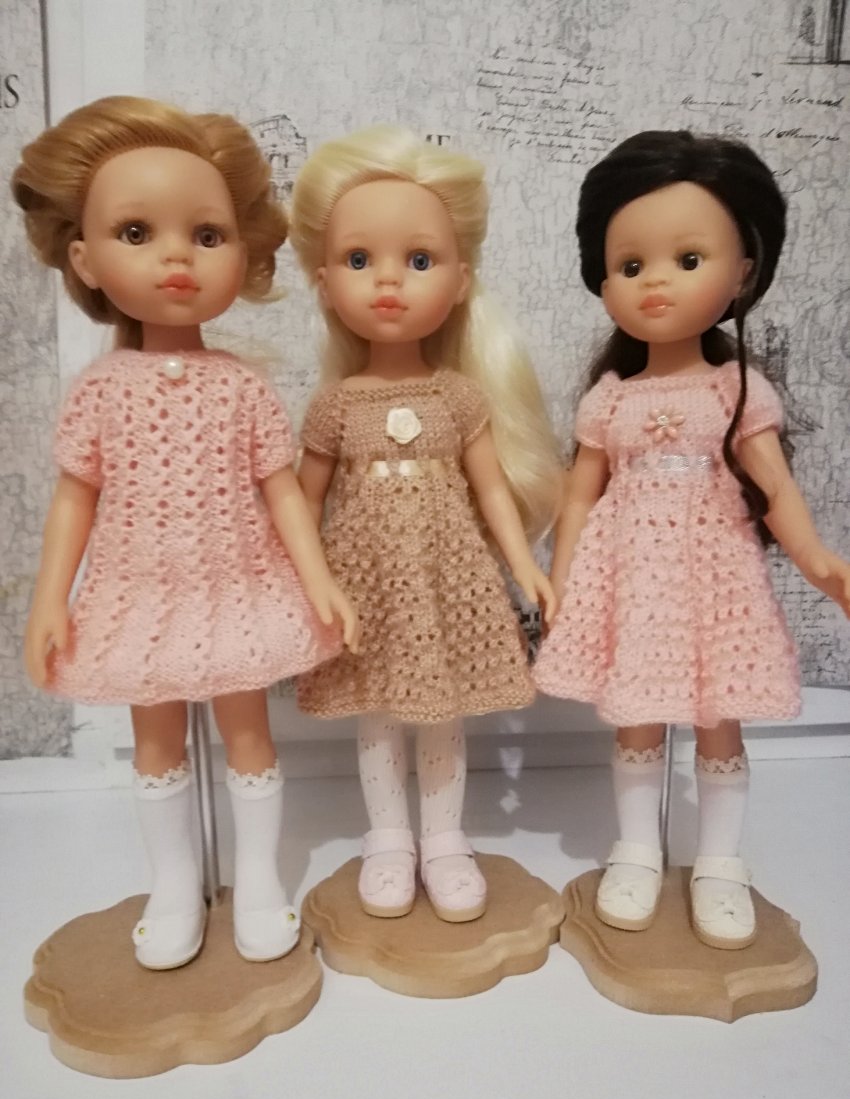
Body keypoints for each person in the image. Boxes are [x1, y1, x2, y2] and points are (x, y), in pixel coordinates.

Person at [13, 95, 358, 969]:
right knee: (157, 742)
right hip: (138, 595)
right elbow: (73, 500)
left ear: (243, 252)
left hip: (235, 587)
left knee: (249, 732)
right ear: (84, 258)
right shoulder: (102, 391)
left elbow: (282, 492)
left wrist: (317, 576)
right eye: (137, 233)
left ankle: (259, 877)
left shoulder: (240, 386)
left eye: (207, 235)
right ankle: (173, 884)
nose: (176, 256)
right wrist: (50, 597)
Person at [534, 130, 850, 949]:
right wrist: (561, 580)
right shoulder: (610, 398)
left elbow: (774, 489)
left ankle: (719, 862)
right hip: (633, 582)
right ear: (603, 277)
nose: (656, 282)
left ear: (742, 270)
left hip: (714, 580)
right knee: (637, 714)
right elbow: (580, 493)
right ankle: (637, 849)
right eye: (631, 264)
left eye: (687, 259)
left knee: (718, 717)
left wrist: (819, 560)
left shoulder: (735, 390)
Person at [289, 125, 561, 922]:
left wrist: (526, 565)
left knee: (442, 710)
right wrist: (309, 579)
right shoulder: (335, 406)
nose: (387, 281)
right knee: (378, 711)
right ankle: (388, 840)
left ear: (461, 279)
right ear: (323, 281)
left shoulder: (459, 397)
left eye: (418, 260)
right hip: (365, 584)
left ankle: (444, 840)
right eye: (358, 259)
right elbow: (302, 500)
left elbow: (492, 490)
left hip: (447, 577)